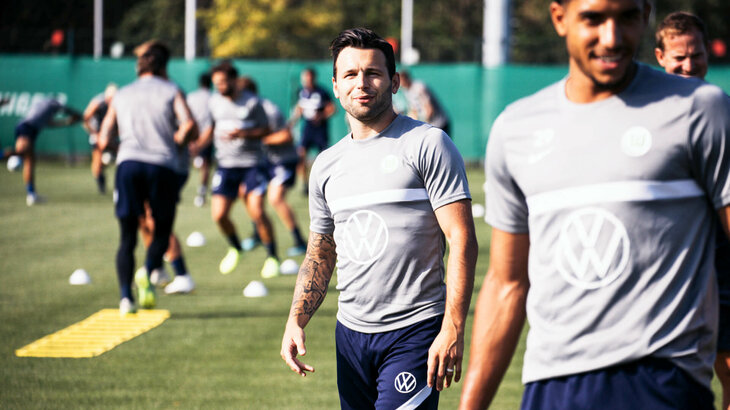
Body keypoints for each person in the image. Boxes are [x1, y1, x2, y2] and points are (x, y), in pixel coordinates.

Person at [459, 0, 730, 409]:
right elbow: (506, 284)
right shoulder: (515, 129)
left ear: (646, 15)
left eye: (627, 18)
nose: (611, 37)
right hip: (550, 388)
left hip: (663, 383)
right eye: (593, 18)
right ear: (559, 18)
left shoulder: (702, 109)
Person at [280, 28, 477, 409]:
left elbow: (462, 239)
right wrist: (295, 320)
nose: (362, 83)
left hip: (415, 331)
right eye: (350, 74)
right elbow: (321, 251)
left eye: (373, 73)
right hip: (350, 336)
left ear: (394, 82)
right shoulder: (326, 166)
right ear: (335, 87)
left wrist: (453, 325)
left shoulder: (427, 144)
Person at [655, 12, 730, 410]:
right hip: (667, 264)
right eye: (678, 57)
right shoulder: (644, 117)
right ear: (660, 57)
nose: (688, 65)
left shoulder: (724, 110)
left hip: (722, 258)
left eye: (696, 55)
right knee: (666, 374)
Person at [99, 40, 197, 314]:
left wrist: (121, 149)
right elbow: (189, 124)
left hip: (128, 165)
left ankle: (125, 298)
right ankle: (148, 269)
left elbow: (104, 137)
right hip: (161, 166)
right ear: (164, 67)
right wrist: (177, 141)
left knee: (127, 237)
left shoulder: (122, 94)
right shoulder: (172, 90)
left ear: (138, 68)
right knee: (162, 230)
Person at [195, 62, 280, 280]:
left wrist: (243, 134)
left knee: (257, 211)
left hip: (252, 164)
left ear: (234, 80)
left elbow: (266, 129)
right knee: (219, 215)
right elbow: (210, 129)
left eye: (223, 82)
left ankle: (272, 257)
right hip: (225, 165)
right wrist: (196, 146)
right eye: (216, 84)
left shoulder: (252, 102)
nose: (220, 87)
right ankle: (236, 248)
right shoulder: (214, 102)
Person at [238, 76, 308, 257]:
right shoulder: (242, 110)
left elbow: (286, 136)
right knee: (245, 191)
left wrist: (259, 139)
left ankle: (300, 241)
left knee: (275, 199)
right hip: (264, 162)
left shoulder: (268, 110)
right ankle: (258, 232)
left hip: (282, 161)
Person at [12, 96, 82, 205]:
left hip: (28, 128)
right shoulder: (53, 103)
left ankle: (31, 194)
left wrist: (66, 122)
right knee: (22, 154)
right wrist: (80, 116)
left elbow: (49, 124)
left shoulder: (42, 108)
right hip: (27, 127)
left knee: (29, 161)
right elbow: (67, 110)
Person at [289, 67, 335, 194]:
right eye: (305, 78)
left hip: (320, 128)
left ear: (314, 78)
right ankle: (304, 183)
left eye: (309, 78)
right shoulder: (301, 92)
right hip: (308, 127)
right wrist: (292, 121)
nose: (307, 80)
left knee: (322, 157)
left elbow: (332, 108)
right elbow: (299, 108)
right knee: (301, 155)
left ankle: (322, 183)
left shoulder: (322, 92)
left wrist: (321, 116)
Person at [83, 83, 117, 194]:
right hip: (97, 133)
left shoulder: (118, 103)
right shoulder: (98, 102)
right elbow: (86, 118)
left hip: (110, 134)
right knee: (97, 159)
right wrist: (95, 133)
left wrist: (113, 135)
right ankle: (100, 182)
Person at [187, 72, 214, 208]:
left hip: (193, 135)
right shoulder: (214, 98)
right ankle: (201, 194)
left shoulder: (191, 97)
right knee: (205, 165)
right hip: (207, 135)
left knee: (193, 163)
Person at [399, 70, 451, 136]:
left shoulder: (419, 88)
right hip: (429, 126)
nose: (400, 84)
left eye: (401, 80)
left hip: (439, 124)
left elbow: (430, 110)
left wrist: (423, 125)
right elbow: (414, 110)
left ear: (406, 79)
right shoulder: (406, 91)